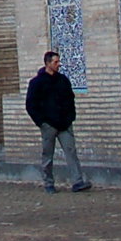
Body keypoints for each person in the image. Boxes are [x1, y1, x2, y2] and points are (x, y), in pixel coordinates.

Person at [25, 50, 89, 192]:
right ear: (48, 63)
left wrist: (70, 117)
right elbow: (31, 104)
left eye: (58, 61)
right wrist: (42, 123)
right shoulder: (37, 83)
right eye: (55, 62)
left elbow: (70, 99)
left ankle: (78, 182)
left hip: (65, 124)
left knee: (71, 152)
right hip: (48, 125)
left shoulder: (63, 80)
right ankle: (48, 183)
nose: (58, 64)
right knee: (48, 155)